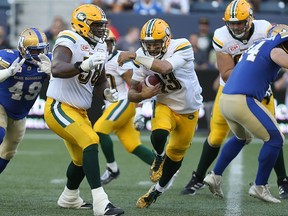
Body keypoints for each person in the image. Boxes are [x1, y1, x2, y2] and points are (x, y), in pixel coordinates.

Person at [181, 0, 288, 200]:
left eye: (240, 22)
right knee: (219, 135)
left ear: (250, 19)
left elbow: (280, 31)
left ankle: (283, 180)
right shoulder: (222, 36)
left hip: (259, 90)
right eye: (232, 23)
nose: (236, 26)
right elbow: (227, 73)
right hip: (235, 88)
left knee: (262, 131)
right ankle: (199, 176)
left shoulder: (264, 28)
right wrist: (254, 70)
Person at [43, 4, 124, 216]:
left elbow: (99, 81)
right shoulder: (69, 39)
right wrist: (83, 65)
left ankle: (69, 197)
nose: (101, 30)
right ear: (82, 24)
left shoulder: (100, 46)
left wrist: (106, 92)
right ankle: (101, 203)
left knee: (80, 160)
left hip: (79, 111)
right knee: (91, 140)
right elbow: (57, 68)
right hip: (59, 106)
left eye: (102, 26)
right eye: (97, 25)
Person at [118, 18, 203, 208]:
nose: (153, 48)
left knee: (176, 156)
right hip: (165, 104)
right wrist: (143, 95)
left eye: (156, 43)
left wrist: (134, 55)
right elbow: (131, 93)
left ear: (166, 40)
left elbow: (165, 67)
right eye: (148, 44)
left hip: (189, 108)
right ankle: (158, 155)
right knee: (159, 133)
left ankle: (157, 191)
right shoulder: (141, 55)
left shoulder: (182, 45)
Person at [203, 24, 288, 203]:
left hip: (225, 99)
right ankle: (260, 185)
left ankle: (215, 176)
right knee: (276, 139)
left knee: (243, 138)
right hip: (243, 100)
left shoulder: (260, 45)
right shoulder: (275, 48)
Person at [92, 29, 154, 185]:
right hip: (112, 106)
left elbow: (136, 87)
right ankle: (166, 167)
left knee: (99, 129)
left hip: (123, 102)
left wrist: (139, 111)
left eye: (109, 43)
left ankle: (112, 168)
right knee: (133, 145)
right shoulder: (94, 60)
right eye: (104, 43)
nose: (106, 47)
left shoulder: (119, 60)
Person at [0, 28, 51, 174]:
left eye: (42, 50)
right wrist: (7, 72)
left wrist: (52, 73)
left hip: (20, 113)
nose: (39, 55)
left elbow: (64, 84)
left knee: (8, 152)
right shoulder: (8, 57)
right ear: (23, 48)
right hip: (1, 104)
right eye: (34, 51)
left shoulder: (48, 61)